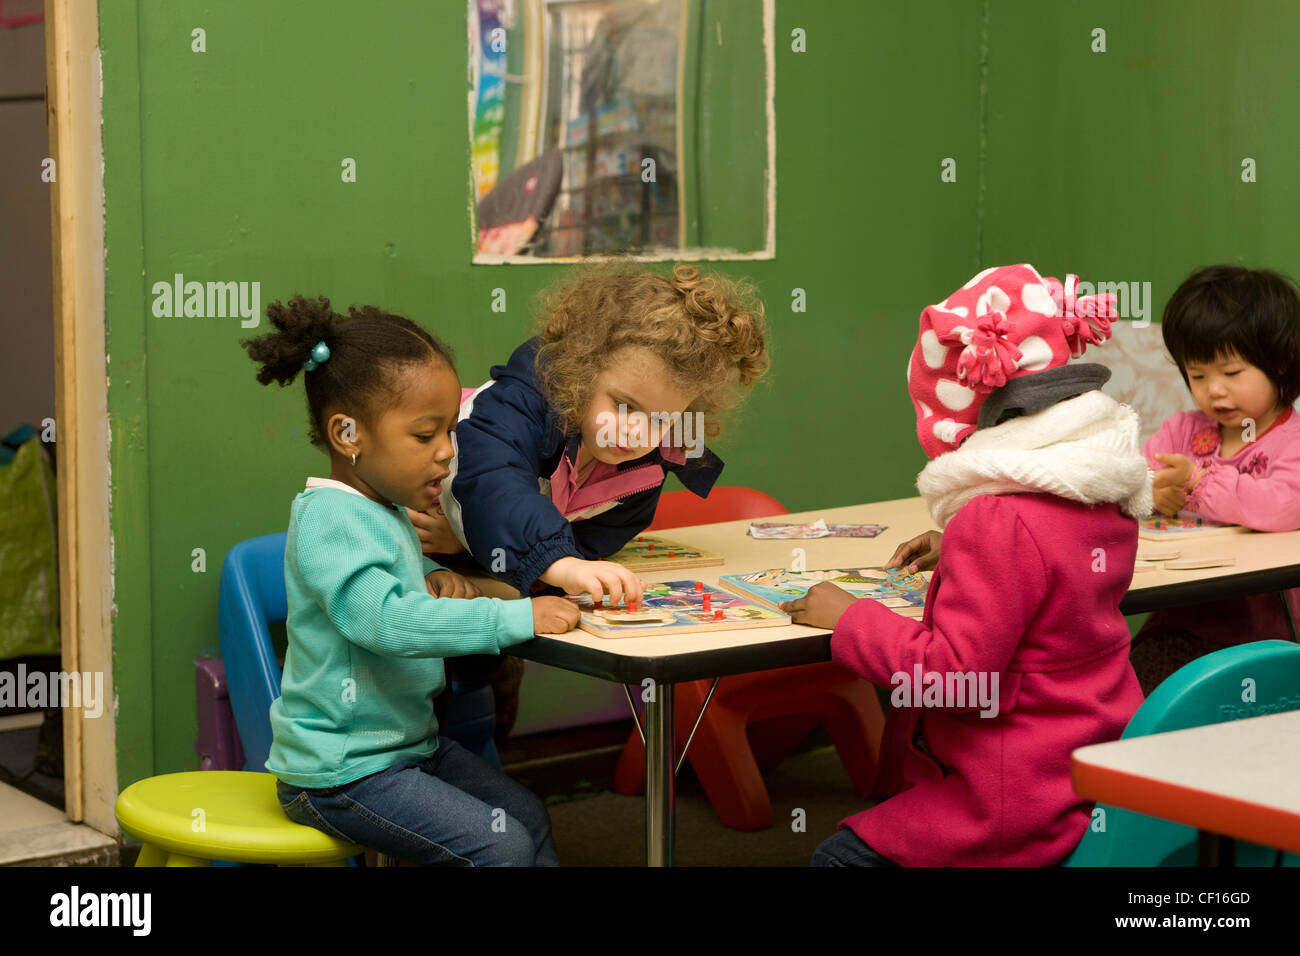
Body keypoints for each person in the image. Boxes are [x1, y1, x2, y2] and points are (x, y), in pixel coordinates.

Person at [785, 264, 1150, 866]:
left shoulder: (997, 520)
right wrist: (960, 547)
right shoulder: (1102, 491)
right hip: (1089, 772)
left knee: (837, 858)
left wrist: (851, 619)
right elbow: (1046, 570)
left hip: (1014, 799)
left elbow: (955, 678)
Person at [242, 294, 578, 865]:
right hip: (342, 773)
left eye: (451, 430)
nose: (448, 453)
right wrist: (518, 617)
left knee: (525, 818)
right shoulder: (329, 517)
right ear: (348, 435)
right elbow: (389, 620)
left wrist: (455, 581)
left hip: (409, 751)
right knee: (498, 847)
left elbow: (414, 584)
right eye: (426, 436)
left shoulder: (388, 513)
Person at [1131, 266, 1300, 694]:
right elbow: (1132, 476)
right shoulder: (1182, 431)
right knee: (1136, 689)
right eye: (1198, 375)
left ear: (1279, 363)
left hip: (1264, 632)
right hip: (1181, 619)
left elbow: (1282, 505)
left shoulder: (1290, 441)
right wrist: (1148, 490)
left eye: (1230, 372)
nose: (1214, 392)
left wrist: (1198, 484)